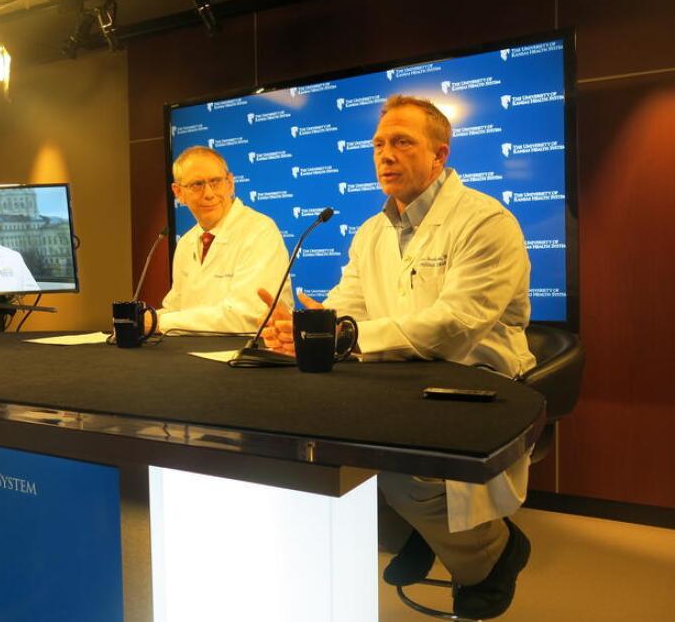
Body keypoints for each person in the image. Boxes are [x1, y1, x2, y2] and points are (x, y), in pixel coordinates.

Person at [259, 96, 536, 619]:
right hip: (402, 375)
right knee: (319, 435)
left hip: (478, 376)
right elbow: (350, 305)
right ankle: (429, 531)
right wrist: (311, 328)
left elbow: (456, 325)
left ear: (439, 155)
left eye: (402, 142)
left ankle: (492, 557)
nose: (386, 154)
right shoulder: (371, 232)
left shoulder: (485, 221)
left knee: (411, 474)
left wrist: (348, 335)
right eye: (379, 144)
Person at [156, 146, 292, 334]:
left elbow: (248, 316)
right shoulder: (186, 242)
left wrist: (160, 322)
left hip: (245, 355)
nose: (209, 194)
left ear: (230, 183)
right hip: (190, 354)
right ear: (178, 192)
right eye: (197, 185)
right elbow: (176, 308)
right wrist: (141, 320)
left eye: (216, 182)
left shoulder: (260, 231)